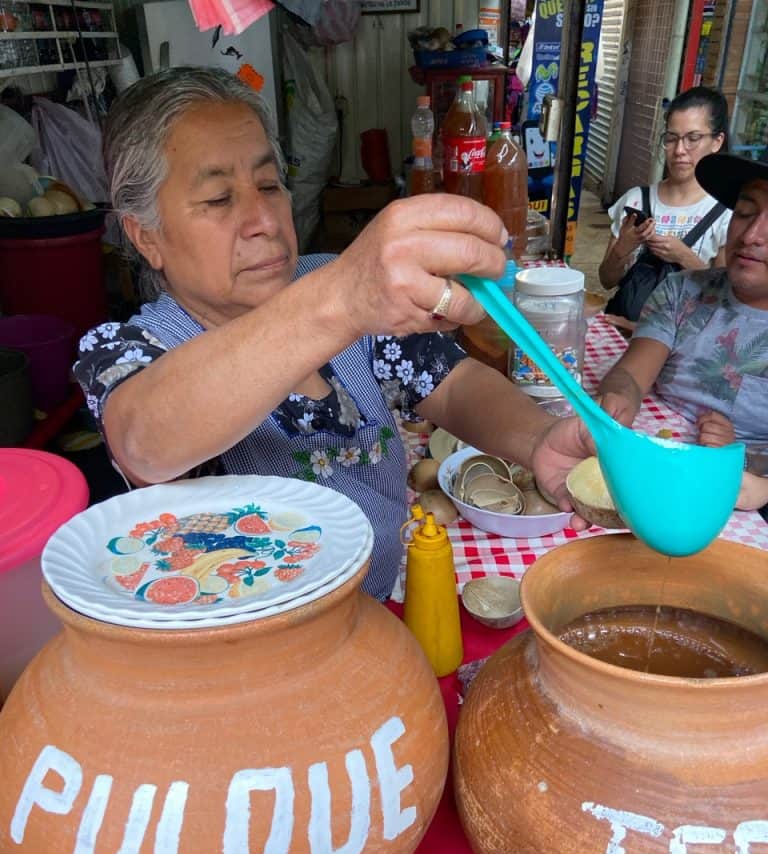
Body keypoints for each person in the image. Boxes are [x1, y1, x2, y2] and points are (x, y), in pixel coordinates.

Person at [74, 67, 594, 601]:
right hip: (262, 662)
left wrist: (540, 442)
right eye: (218, 199)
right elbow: (146, 442)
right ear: (147, 236)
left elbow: (455, 386)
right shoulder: (129, 351)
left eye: (270, 184)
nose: (264, 220)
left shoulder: (339, 290)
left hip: (377, 617)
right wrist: (341, 298)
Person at [597, 151, 768, 516]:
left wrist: (749, 465)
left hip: (745, 502)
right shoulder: (683, 291)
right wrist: (618, 397)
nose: (752, 235)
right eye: (746, 212)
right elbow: (632, 372)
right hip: (659, 468)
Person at [598, 86, 732, 331]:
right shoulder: (636, 200)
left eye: (693, 138)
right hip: (620, 336)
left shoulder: (727, 214)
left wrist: (683, 256)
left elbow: (725, 298)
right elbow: (606, 280)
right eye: (671, 138)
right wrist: (622, 250)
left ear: (717, 141)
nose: (679, 150)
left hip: (685, 348)